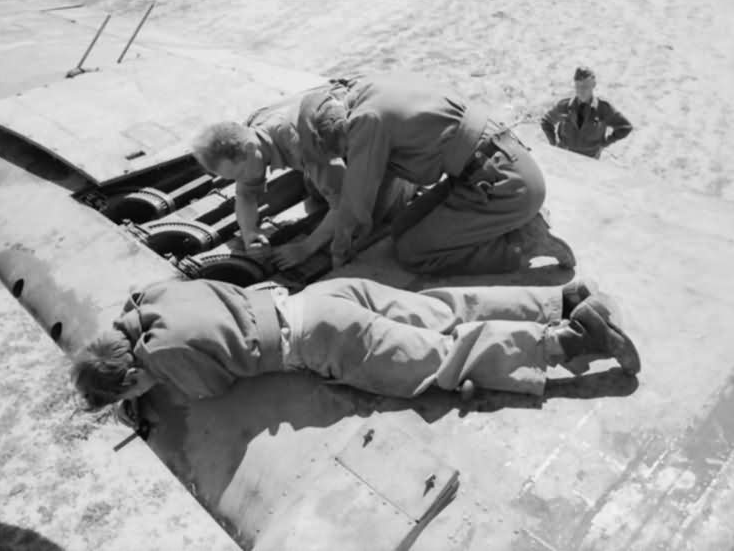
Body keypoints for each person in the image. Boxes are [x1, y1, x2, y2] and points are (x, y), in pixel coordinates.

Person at [71, 276, 640, 410]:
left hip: (323, 338)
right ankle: (561, 299)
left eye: (130, 392)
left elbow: (210, 388)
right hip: (323, 296)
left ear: (129, 375)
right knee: (442, 309)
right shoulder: (151, 298)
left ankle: (568, 339)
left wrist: (151, 389)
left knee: (440, 360)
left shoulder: (161, 356)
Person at [293, 73, 575, 275]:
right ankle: (514, 221)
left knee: (414, 254)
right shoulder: (367, 89)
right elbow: (380, 179)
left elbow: (356, 200)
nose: (349, 157)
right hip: (485, 171)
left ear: (341, 134)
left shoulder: (365, 122)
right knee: (402, 228)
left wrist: (336, 251)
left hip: (504, 184)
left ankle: (523, 244)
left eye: (345, 152)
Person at [189, 86, 416, 270]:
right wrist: (250, 233)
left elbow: (346, 205)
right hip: (330, 140)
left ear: (250, 148)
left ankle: (407, 185)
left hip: (382, 140)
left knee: (368, 216)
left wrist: (306, 248)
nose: (241, 180)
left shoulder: (305, 146)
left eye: (238, 174)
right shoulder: (251, 137)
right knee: (317, 189)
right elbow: (245, 193)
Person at [540, 67, 633, 159]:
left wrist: (605, 143)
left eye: (585, 87)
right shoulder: (564, 106)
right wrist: (553, 143)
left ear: (593, 85)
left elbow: (625, 127)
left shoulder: (603, 109)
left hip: (589, 161)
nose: (581, 91)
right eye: (578, 86)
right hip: (564, 158)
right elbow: (546, 121)